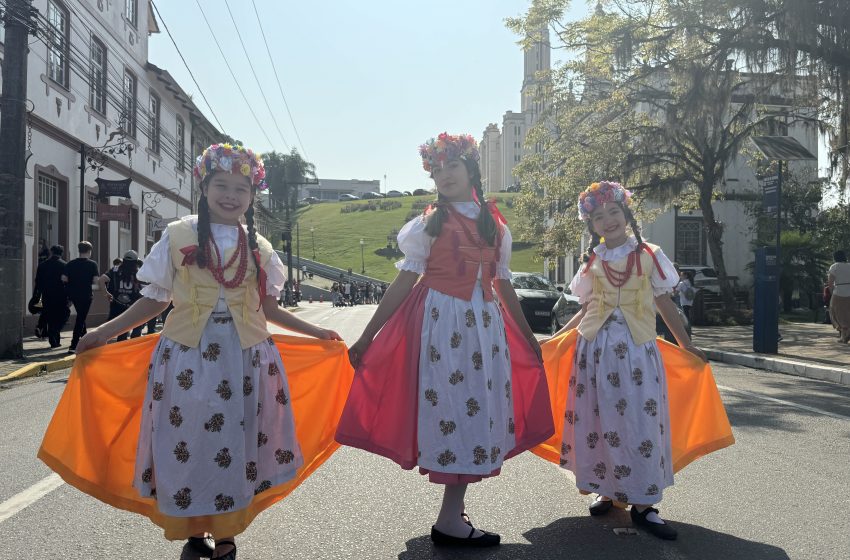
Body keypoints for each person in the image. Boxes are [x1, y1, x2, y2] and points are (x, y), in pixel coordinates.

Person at [57, 144, 345, 560]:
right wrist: (105, 330)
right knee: (187, 439)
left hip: (245, 358)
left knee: (237, 442)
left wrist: (316, 331)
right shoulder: (178, 235)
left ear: (252, 195)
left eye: (241, 188)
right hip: (187, 357)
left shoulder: (260, 248)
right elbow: (156, 300)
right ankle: (195, 524)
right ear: (204, 187)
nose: (231, 195)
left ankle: (226, 534)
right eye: (221, 185)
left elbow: (270, 308)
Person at [336, 133, 553, 547]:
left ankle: (450, 517)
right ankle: (451, 519)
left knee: (472, 412)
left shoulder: (494, 222)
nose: (443, 175)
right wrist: (368, 334)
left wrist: (528, 338)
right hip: (440, 322)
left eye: (451, 166)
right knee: (451, 409)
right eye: (436, 169)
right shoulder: (429, 221)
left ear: (471, 168)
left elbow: (503, 285)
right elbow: (405, 277)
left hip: (483, 327)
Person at [541, 181, 733, 541]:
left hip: (636, 352)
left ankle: (644, 504)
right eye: (599, 216)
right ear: (591, 225)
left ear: (626, 214)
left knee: (638, 424)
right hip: (594, 353)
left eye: (613, 212)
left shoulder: (650, 254)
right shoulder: (592, 261)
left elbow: (664, 304)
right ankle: (607, 489)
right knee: (598, 421)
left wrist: (686, 344)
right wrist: (555, 340)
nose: (608, 220)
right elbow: (585, 309)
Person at [62, 241, 100, 353]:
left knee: (81, 316)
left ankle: (86, 340)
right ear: (89, 251)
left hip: (73, 294)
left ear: (79, 250)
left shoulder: (70, 264)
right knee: (80, 319)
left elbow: (63, 278)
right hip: (86, 294)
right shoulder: (92, 264)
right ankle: (73, 345)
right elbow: (95, 281)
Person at [98, 250, 144, 341]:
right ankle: (133, 349)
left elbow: (101, 280)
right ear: (135, 262)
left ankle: (119, 348)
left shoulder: (115, 270)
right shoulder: (139, 272)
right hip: (133, 306)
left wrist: (106, 293)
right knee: (137, 329)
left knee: (121, 331)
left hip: (117, 305)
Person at [35, 244, 68, 348]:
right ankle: (53, 336)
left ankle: (52, 337)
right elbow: (67, 282)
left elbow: (37, 282)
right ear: (61, 253)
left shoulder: (43, 265)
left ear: (51, 252)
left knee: (48, 314)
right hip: (60, 295)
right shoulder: (65, 265)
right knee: (61, 315)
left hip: (46, 294)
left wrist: (37, 295)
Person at [828, 250, 850, 343]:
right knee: (847, 312)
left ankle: (844, 331)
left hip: (838, 291)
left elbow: (830, 283)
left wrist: (831, 292)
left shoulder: (834, 266)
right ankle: (844, 336)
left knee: (834, 312)